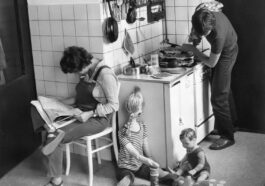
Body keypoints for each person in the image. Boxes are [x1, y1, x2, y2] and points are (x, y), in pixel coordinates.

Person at [31, 46, 119, 186]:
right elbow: (78, 99)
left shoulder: (106, 75)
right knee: (36, 108)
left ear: (82, 63)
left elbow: (114, 106)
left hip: (97, 118)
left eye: (76, 71)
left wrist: (91, 113)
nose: (76, 74)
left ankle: (56, 181)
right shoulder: (85, 70)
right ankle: (51, 132)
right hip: (79, 111)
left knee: (56, 136)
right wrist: (56, 103)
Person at [181, 5, 238, 150]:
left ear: (211, 26)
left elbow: (212, 63)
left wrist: (193, 50)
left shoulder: (218, 35)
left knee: (218, 96)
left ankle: (227, 136)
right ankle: (232, 125)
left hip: (227, 53)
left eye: (206, 32)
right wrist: (195, 37)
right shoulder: (202, 14)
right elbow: (197, 27)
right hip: (225, 48)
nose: (206, 34)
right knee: (223, 88)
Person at [116, 87, 177, 186]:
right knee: (127, 179)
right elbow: (135, 154)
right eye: (140, 106)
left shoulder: (142, 126)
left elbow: (145, 146)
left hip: (140, 165)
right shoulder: (122, 132)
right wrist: (146, 160)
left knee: (163, 174)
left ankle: (178, 180)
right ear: (138, 111)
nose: (142, 108)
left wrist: (153, 162)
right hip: (125, 168)